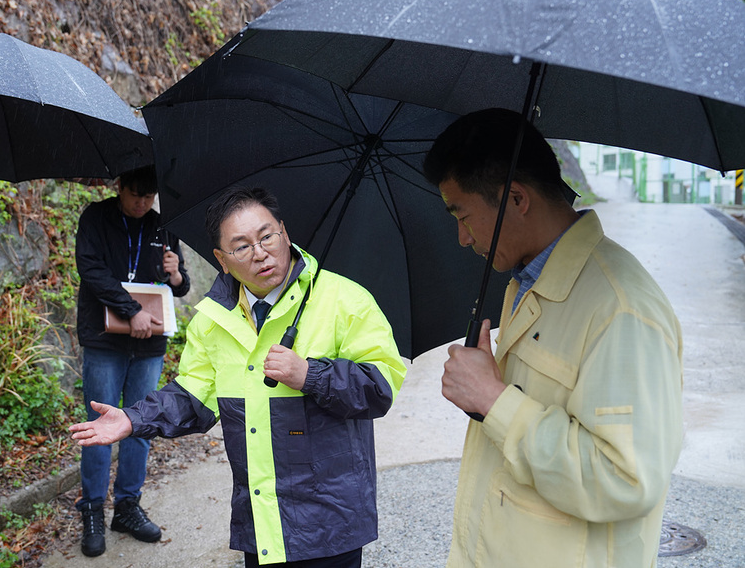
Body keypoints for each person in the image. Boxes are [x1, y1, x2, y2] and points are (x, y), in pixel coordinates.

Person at [70, 185, 408, 567]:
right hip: (260, 521)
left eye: (267, 236)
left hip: (330, 521)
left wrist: (310, 375)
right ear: (222, 259)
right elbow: (191, 397)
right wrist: (133, 418)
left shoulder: (344, 300)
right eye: (242, 246)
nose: (261, 252)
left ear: (285, 232)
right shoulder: (213, 321)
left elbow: (379, 387)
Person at [423, 108, 683, 568]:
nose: (462, 238)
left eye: (462, 216)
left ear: (516, 199)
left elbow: (625, 478)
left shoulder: (620, 307)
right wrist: (485, 394)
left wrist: (495, 400)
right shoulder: (525, 281)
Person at [73, 165, 190, 557]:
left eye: (149, 197)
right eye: (135, 194)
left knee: (142, 424)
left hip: (149, 345)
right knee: (100, 425)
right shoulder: (96, 218)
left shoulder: (163, 226)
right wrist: (129, 310)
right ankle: (91, 508)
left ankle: (127, 505)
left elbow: (182, 285)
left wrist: (176, 277)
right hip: (105, 340)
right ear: (119, 187)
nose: (142, 203)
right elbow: (91, 269)